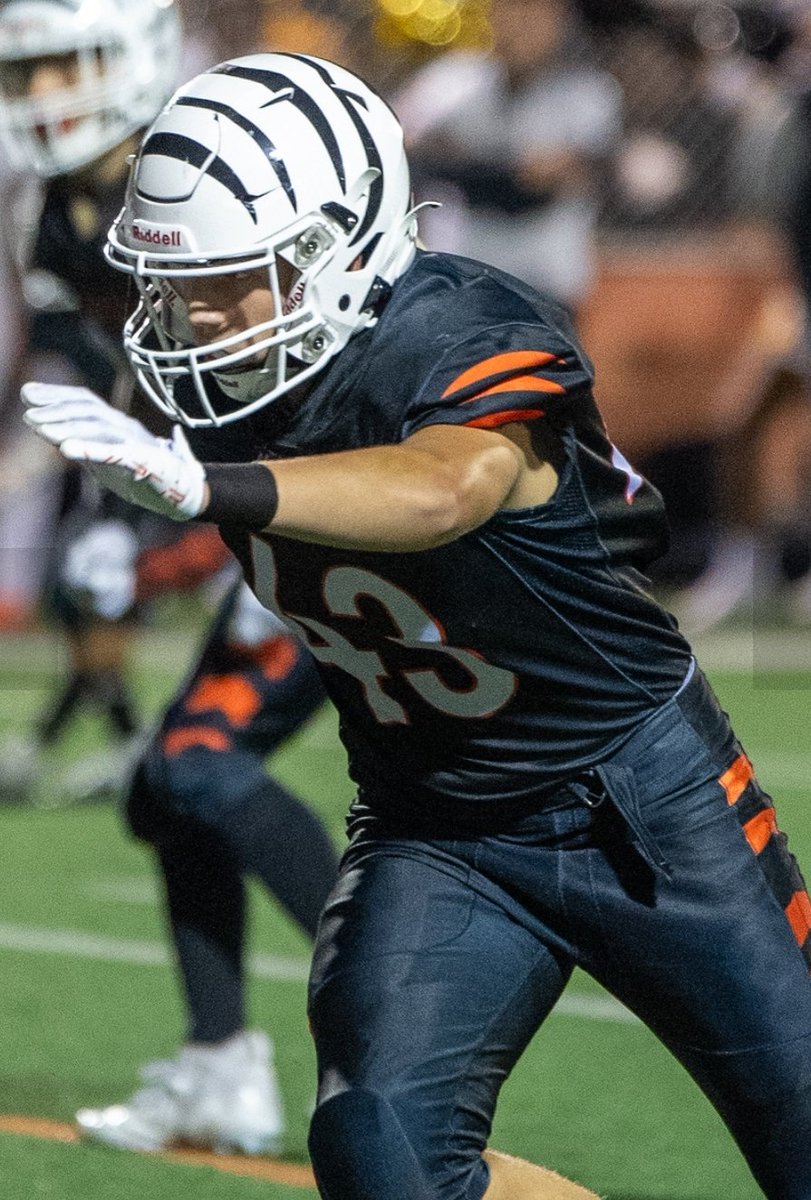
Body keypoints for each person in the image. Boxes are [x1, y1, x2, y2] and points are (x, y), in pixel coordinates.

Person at [21, 51, 811, 1200]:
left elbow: (445, 488)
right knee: (380, 1153)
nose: (182, 319)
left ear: (333, 250)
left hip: (639, 802)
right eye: (166, 287)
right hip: (432, 824)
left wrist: (210, 494)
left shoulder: (462, 326)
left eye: (224, 280)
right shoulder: (212, 371)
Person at [0, 1, 338, 1153]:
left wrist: (284, 520)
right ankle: (219, 1066)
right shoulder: (56, 209)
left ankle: (391, 1025)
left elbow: (312, 344)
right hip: (239, 507)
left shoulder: (211, 164)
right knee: (166, 785)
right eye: (26, 68)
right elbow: (116, 385)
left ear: (132, 56)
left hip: (325, 498)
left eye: (63, 63)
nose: (42, 92)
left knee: (193, 762)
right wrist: (101, 513)